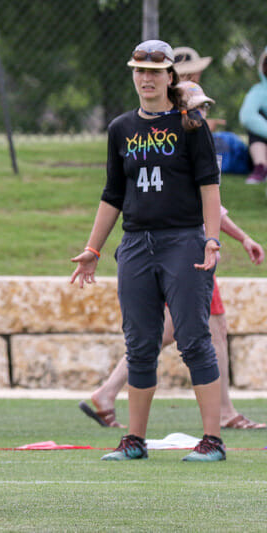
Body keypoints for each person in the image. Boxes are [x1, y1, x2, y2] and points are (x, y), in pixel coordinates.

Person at [79, 81, 266, 431]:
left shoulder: (194, 141)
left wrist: (235, 238)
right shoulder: (163, 140)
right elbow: (117, 193)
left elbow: (212, 203)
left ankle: (111, 394)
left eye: (206, 109)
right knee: (190, 334)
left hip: (193, 248)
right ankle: (218, 415)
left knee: (190, 331)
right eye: (197, 108)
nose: (203, 115)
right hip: (182, 253)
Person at [71, 40, 226, 462]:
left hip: (183, 240)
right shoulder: (120, 128)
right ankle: (133, 440)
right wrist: (92, 249)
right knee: (140, 343)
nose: (146, 78)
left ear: (170, 76)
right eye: (139, 70)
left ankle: (212, 439)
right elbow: (112, 195)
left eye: (155, 71)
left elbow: (210, 189)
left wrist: (211, 239)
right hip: (136, 244)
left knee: (193, 339)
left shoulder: (191, 124)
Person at [172, 47, 226, 132]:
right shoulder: (191, 91)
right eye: (198, 71)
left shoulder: (164, 93)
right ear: (192, 74)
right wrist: (206, 125)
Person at [239, 46, 267, 184]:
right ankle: (261, 168)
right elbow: (247, 116)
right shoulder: (258, 90)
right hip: (262, 146)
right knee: (257, 119)